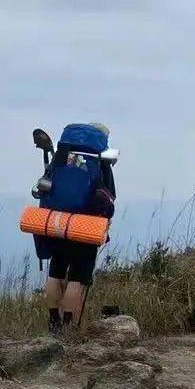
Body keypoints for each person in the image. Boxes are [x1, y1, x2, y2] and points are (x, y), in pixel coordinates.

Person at [40, 124, 115, 333]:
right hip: (85, 228)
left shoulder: (65, 158)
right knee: (77, 279)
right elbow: (108, 198)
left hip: (58, 223)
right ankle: (68, 327)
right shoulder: (99, 162)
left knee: (55, 273)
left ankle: (54, 322)